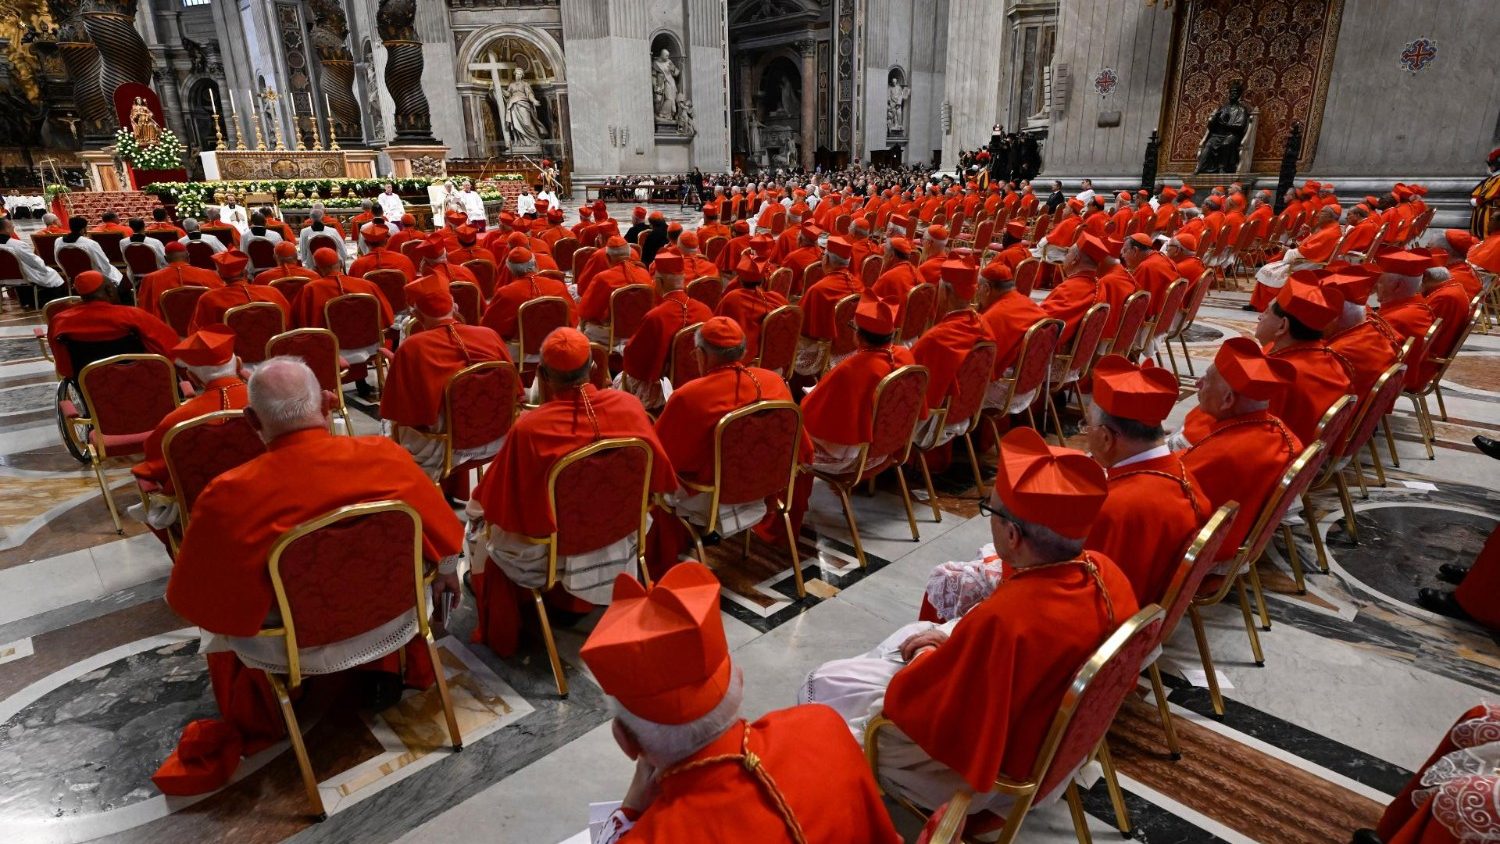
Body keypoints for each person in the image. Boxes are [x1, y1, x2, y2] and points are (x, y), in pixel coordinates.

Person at [158, 356, 464, 793]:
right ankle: (386, 668)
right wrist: (449, 568)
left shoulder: (228, 494)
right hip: (390, 615)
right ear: (326, 402)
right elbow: (446, 537)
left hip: (293, 642)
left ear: (251, 419)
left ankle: (264, 711)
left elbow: (196, 600)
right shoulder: (385, 456)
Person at [803, 427, 1138, 821]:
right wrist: (953, 646)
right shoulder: (1107, 570)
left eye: (992, 511)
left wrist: (928, 654)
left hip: (986, 769)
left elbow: (917, 707)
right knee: (906, 641)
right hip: (1055, 739)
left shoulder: (1007, 620)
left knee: (826, 686)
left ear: (1012, 535)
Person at [579, 563, 902, 843]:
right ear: (741, 681)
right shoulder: (822, 725)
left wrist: (632, 806)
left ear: (625, 740)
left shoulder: (656, 835)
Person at [467, 328, 676, 656]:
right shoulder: (630, 406)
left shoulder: (530, 429)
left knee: (480, 529)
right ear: (592, 365)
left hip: (555, 549)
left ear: (545, 376)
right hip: (621, 532)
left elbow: (497, 502)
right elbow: (660, 480)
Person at [756, 294, 920, 545]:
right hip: (887, 448)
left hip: (854, 458)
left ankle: (777, 524)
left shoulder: (853, 367)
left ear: (858, 334)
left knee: (787, 441)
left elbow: (808, 416)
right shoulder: (904, 357)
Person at [1082, 355, 1209, 604]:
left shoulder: (1117, 508)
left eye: (1087, 426)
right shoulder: (1178, 469)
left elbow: (1089, 589)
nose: (1086, 435)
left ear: (1106, 439)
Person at [382, 274, 515, 491]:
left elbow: (399, 410)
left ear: (416, 315)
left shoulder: (413, 347)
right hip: (497, 438)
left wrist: (398, 371)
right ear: (454, 307)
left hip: (444, 446)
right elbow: (515, 392)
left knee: (388, 426)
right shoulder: (489, 335)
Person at [1178, 338, 1301, 556]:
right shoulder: (1278, 430)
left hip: (1204, 551)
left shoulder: (1223, 453)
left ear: (1227, 400)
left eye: (1206, 380)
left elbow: (1176, 496)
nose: (1197, 383)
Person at [128, 327, 249, 536]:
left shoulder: (175, 423)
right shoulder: (270, 402)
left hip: (206, 515)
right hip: (270, 500)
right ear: (238, 364)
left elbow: (154, 468)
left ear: (192, 377)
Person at [1251, 274, 1352, 445]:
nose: (1259, 317)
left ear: (1282, 326)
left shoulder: (1279, 377)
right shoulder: (1328, 357)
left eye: (1266, 312)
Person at [911, 261, 994, 448]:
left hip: (932, 421)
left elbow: (908, 385)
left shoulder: (937, 338)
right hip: (964, 411)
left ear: (945, 292)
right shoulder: (983, 324)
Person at [617, 254, 712, 411]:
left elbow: (634, 362)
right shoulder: (705, 311)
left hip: (664, 390)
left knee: (618, 380)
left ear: (659, 282)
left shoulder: (656, 316)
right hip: (699, 381)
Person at [47, 271, 179, 378]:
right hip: (140, 380)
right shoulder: (133, 315)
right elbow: (169, 347)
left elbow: (64, 367)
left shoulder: (60, 321)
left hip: (90, 386)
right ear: (109, 290)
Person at [793, 236, 863, 376]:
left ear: (827, 260)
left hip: (825, 351)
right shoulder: (858, 284)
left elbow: (801, 324)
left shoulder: (819, 290)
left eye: (824, 255)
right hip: (852, 346)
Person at [1372, 250, 1438, 391]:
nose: (1375, 287)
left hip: (1389, 383)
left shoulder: (1396, 319)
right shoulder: (1417, 307)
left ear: (1397, 286)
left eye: (1380, 282)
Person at [291, 247, 395, 331]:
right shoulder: (368, 285)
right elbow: (388, 319)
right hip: (370, 346)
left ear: (316, 269)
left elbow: (299, 324)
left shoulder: (309, 290)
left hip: (331, 348)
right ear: (341, 264)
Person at [188, 250, 291, 333]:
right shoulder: (273, 292)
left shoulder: (208, 299)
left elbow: (201, 333)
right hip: (274, 353)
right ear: (245, 273)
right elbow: (289, 324)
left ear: (221, 275)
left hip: (233, 356)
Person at [580, 236, 654, 344]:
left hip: (613, 335)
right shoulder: (644, 273)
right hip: (641, 330)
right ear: (629, 254)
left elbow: (586, 312)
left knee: (586, 327)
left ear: (608, 258)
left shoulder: (603, 278)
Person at [714, 255, 788, 360]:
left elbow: (717, 324)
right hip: (774, 355)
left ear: (739, 280)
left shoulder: (732, 298)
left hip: (746, 357)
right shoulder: (777, 298)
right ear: (763, 281)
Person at [1040, 233, 1109, 344]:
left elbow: (1042, 323)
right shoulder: (1099, 285)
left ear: (1075, 259)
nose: (1065, 257)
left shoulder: (1070, 289)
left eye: (1068, 253)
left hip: (1050, 348)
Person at [135, 241, 223, 319]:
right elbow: (219, 301)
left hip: (166, 330)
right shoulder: (209, 274)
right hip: (202, 326)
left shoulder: (150, 279)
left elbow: (144, 308)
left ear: (166, 259)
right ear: (188, 257)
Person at [0, 217, 65, 293]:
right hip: (22, 277)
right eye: (11, 226)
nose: (13, 227)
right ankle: (50, 299)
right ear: (6, 230)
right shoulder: (18, 245)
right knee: (52, 274)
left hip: (2, 277)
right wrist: (44, 268)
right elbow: (35, 262)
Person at [58, 215, 122, 284]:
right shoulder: (90, 243)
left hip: (71, 274)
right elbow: (104, 264)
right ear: (83, 229)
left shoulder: (58, 241)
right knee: (116, 275)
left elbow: (58, 260)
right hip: (92, 276)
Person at [348, 222, 418, 283]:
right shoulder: (404, 260)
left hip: (374, 298)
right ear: (386, 240)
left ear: (366, 243)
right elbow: (412, 285)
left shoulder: (357, 265)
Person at [252, 241, 320, 288]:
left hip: (279, 308)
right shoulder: (313, 276)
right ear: (296, 257)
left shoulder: (261, 278)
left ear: (274, 257)